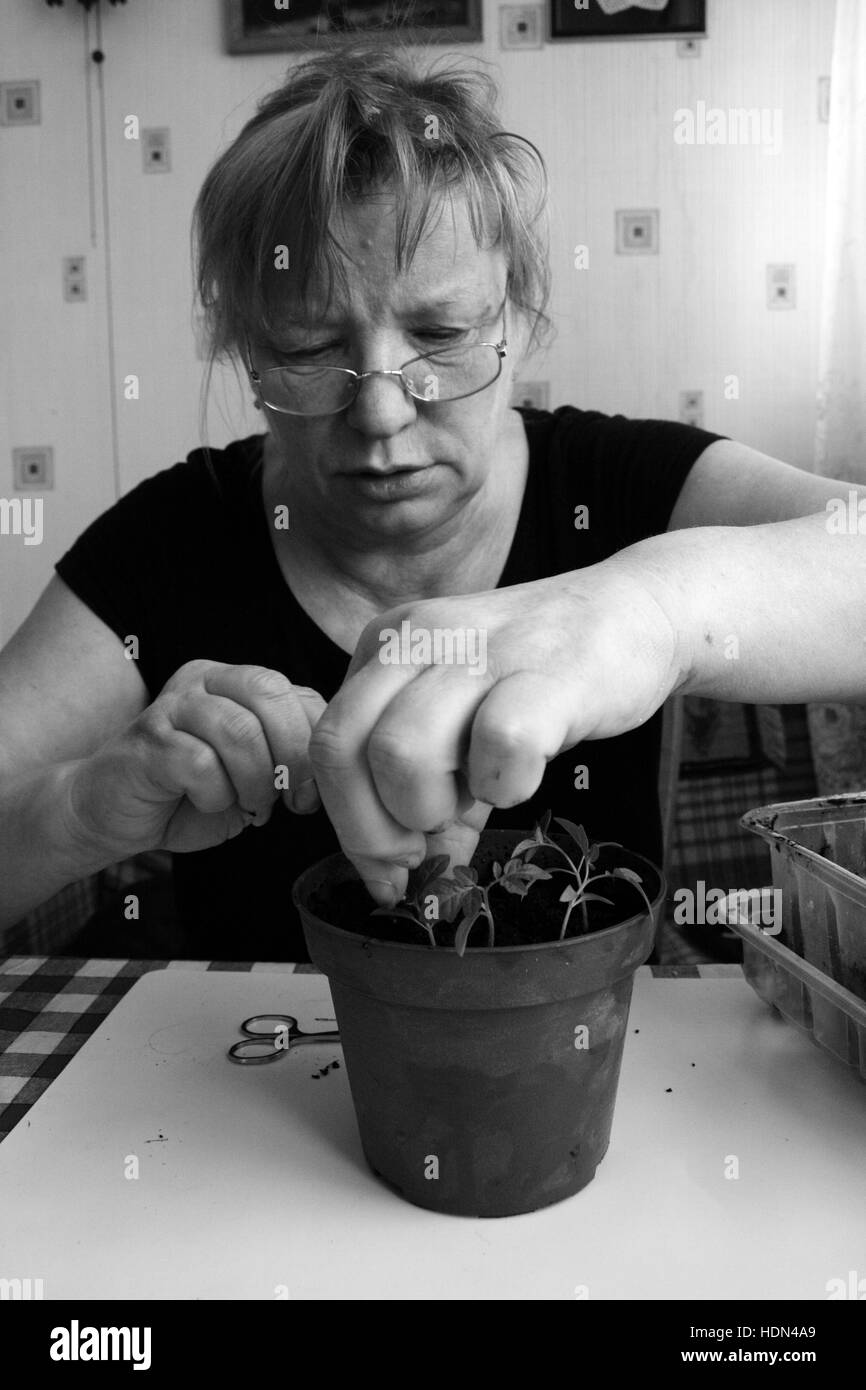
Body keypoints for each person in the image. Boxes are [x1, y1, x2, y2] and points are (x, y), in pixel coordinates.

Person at [0, 44, 863, 961]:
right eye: (304, 346)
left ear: (519, 319)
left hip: (601, 1067)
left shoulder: (622, 481)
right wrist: (80, 810)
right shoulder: (173, 535)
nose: (378, 410)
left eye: (442, 333)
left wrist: (642, 610)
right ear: (241, 348)